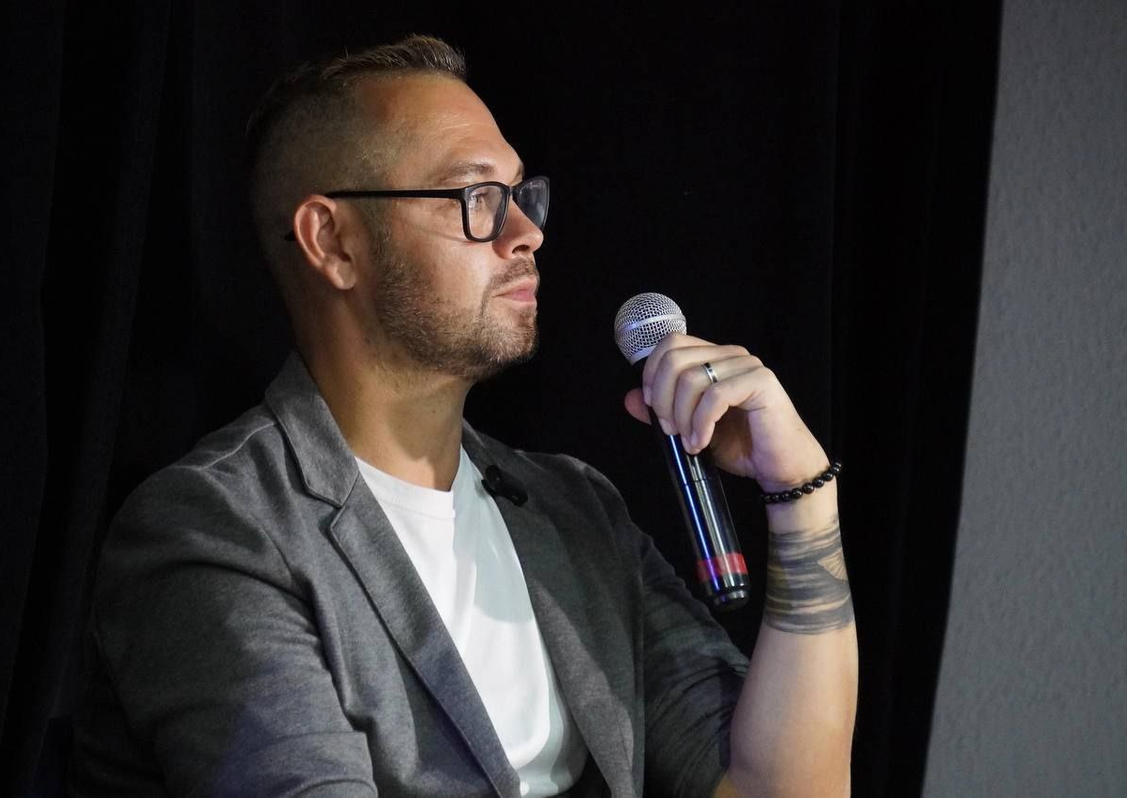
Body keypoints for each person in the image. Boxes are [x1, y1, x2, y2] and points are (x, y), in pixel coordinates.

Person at [71, 35, 857, 797]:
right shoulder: (217, 529)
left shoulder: (576, 512)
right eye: (477, 198)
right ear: (333, 241)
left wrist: (801, 491)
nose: (527, 234)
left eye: (521, 195)